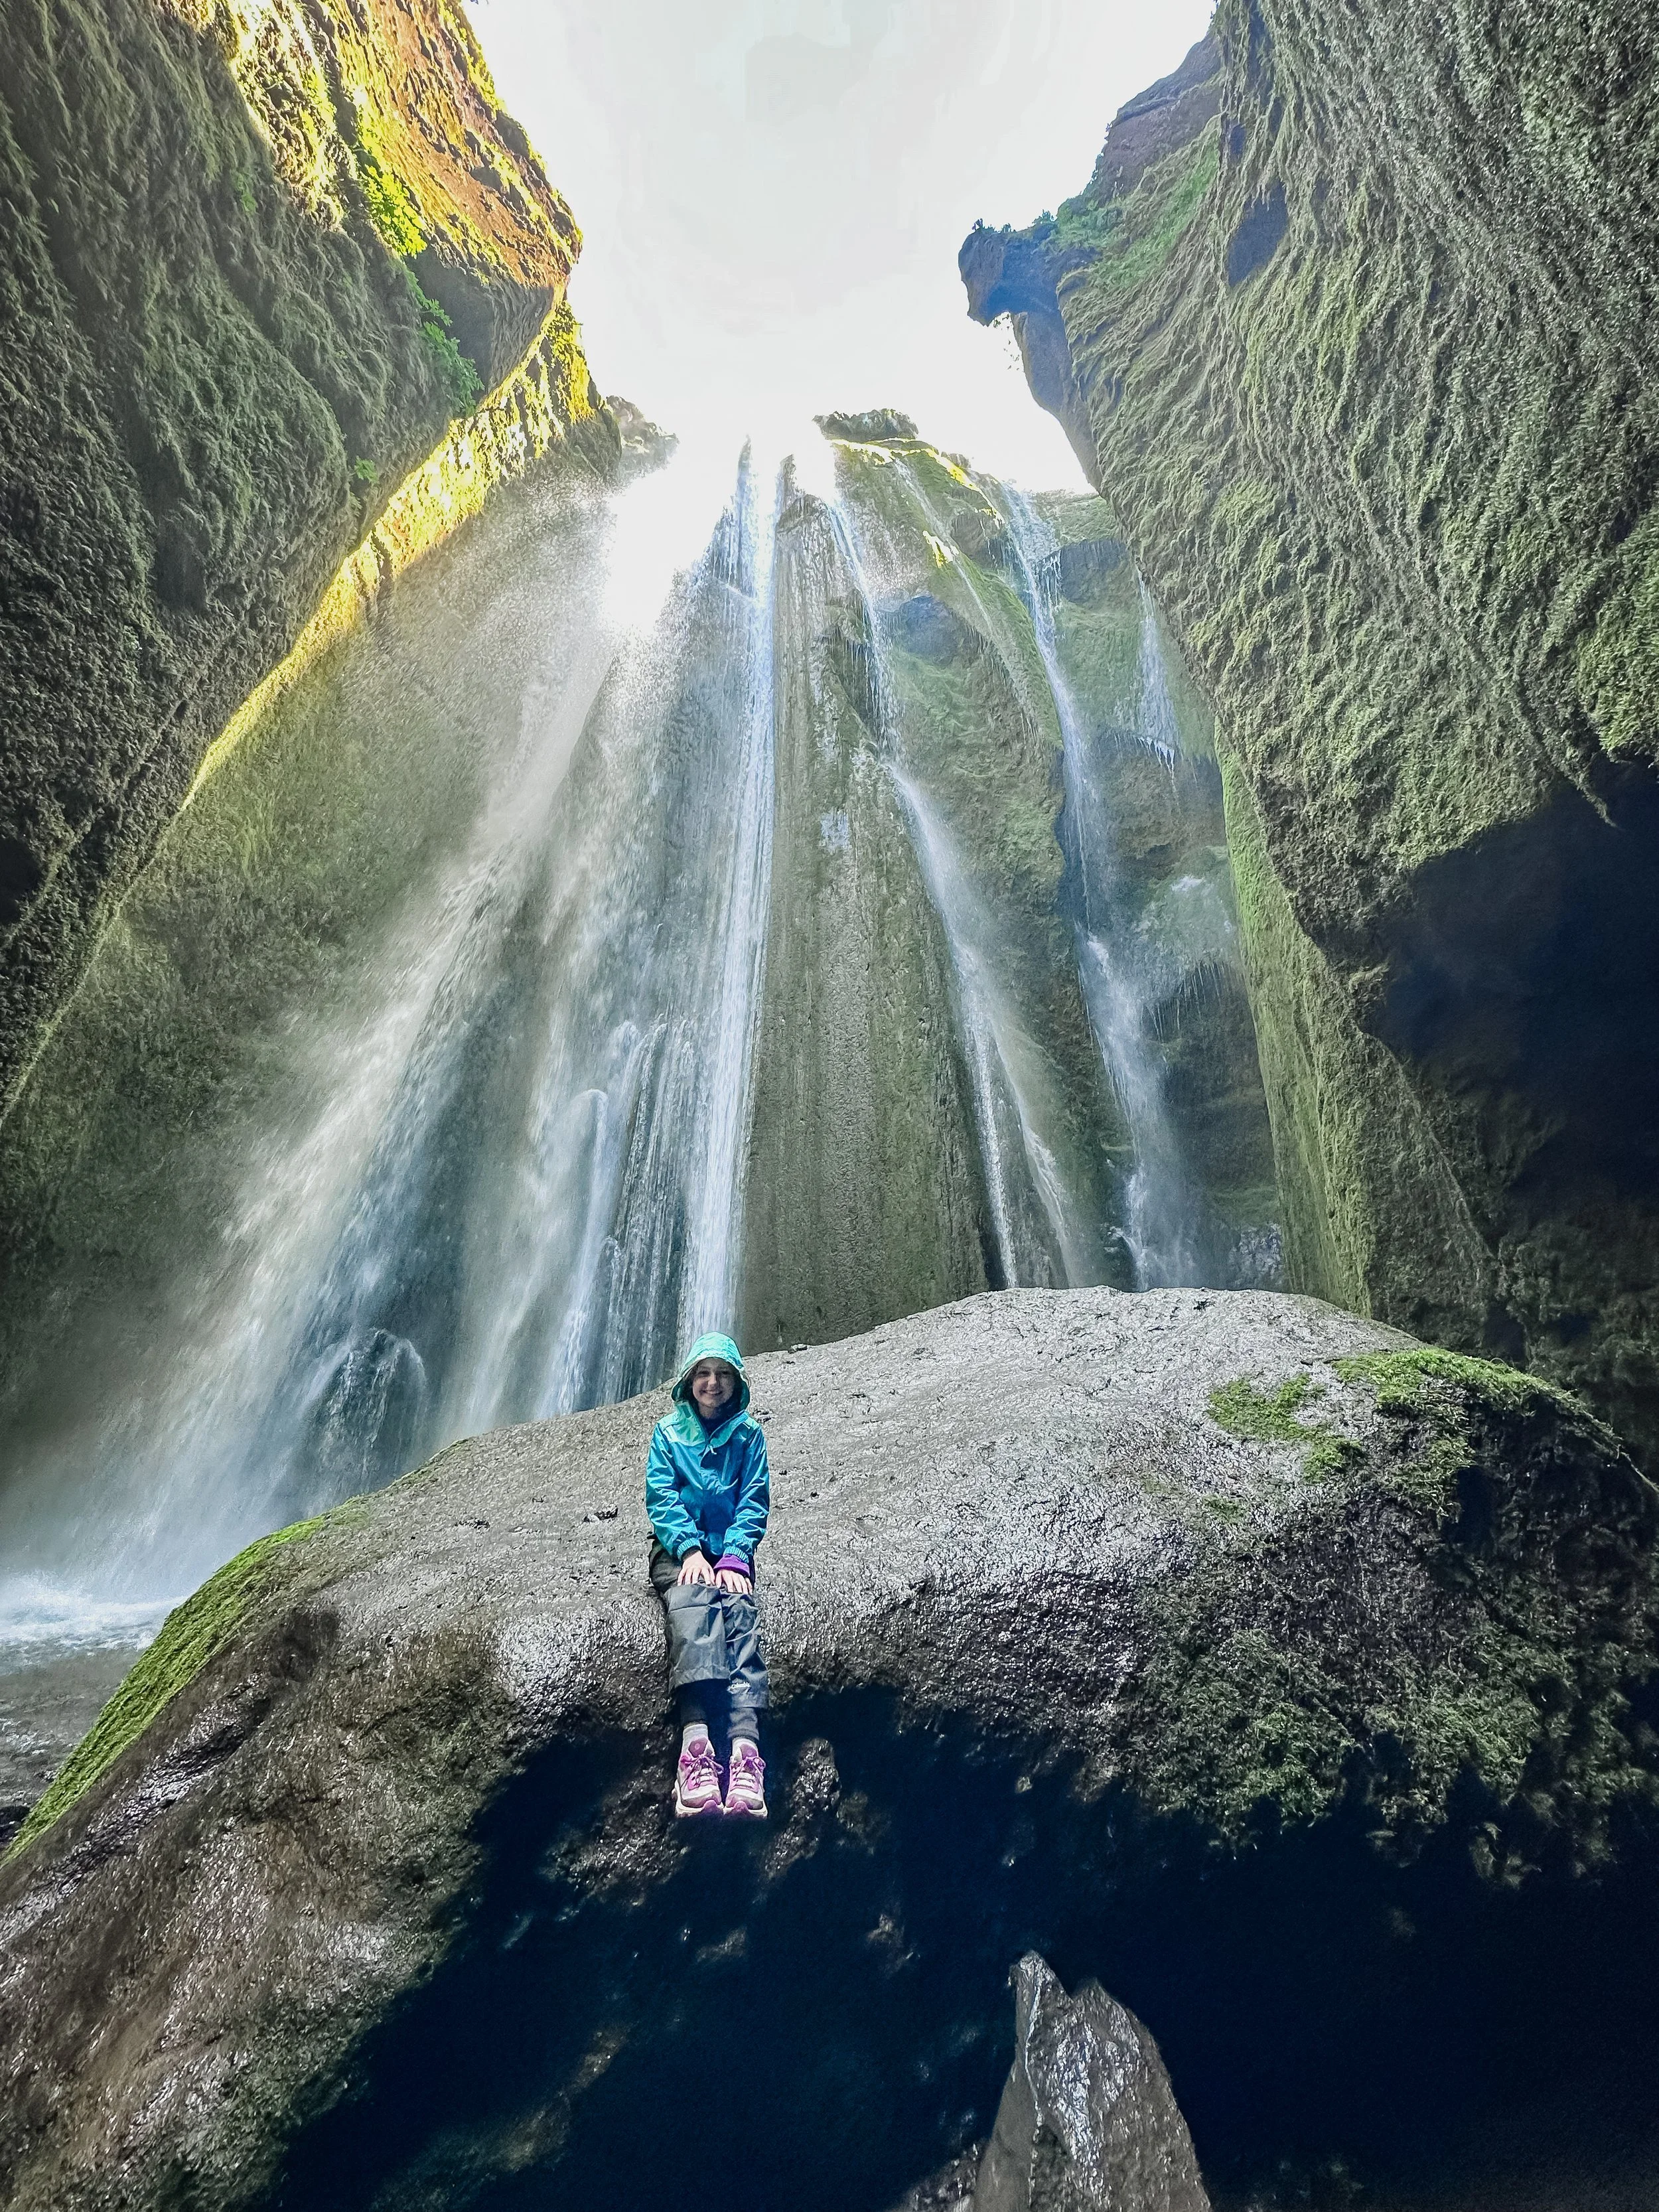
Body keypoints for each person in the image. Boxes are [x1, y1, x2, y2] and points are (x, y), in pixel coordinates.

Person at [646, 1331, 770, 1819]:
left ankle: (745, 1749)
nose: (712, 1383)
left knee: (739, 1608)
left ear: (735, 1381)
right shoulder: (667, 1433)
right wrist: (691, 1549)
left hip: (730, 1551)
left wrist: (736, 1555)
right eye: (703, 1373)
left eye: (722, 1374)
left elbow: (753, 1499)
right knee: (693, 1600)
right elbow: (662, 1497)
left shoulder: (749, 1436)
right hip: (678, 1551)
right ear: (688, 1382)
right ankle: (695, 1744)